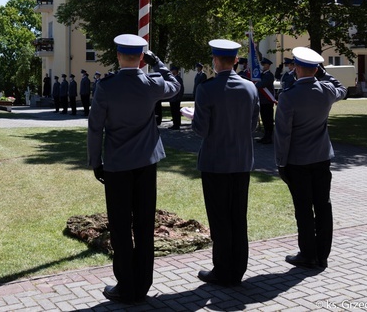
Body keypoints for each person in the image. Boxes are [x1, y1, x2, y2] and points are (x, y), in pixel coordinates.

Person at [87, 34, 180, 304]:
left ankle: (125, 285)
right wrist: (158, 62)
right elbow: (174, 85)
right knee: (143, 224)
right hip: (146, 164)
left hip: (117, 166)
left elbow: (95, 128)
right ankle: (142, 285)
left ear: (118, 56)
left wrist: (95, 161)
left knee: (120, 227)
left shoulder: (106, 87)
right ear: (141, 58)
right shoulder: (151, 84)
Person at [191, 39, 259, 286]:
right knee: (238, 217)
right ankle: (238, 269)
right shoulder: (250, 87)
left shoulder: (207, 89)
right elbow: (253, 126)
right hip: (241, 161)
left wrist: (192, 117)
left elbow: (201, 129)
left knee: (219, 218)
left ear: (216, 60)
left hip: (215, 162)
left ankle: (222, 270)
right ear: (235, 61)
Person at [274, 47, 347, 270]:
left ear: (296, 68)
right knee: (323, 206)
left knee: (303, 208)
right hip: (322, 157)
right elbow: (342, 89)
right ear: (316, 69)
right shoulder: (326, 90)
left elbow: (283, 134)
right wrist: (323, 74)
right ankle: (322, 254)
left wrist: (281, 162)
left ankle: (308, 254)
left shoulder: (289, 96)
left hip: (297, 161)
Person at [256, 57, 276, 143]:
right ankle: (265, 136)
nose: (262, 66)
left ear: (268, 66)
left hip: (267, 101)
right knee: (264, 119)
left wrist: (255, 83)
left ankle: (269, 137)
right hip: (262, 101)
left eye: (263, 64)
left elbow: (261, 84)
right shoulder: (262, 74)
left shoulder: (269, 75)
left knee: (268, 119)